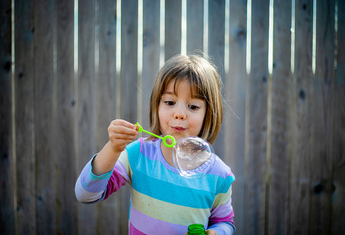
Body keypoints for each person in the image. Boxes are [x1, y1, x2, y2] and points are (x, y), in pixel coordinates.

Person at [75, 54, 235, 235]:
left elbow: (225, 223)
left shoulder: (219, 174)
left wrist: (216, 233)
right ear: (157, 106)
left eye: (193, 106)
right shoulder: (139, 154)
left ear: (209, 114)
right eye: (170, 102)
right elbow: (85, 194)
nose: (179, 113)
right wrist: (113, 148)